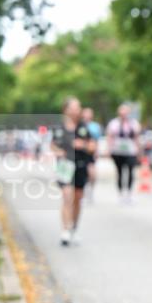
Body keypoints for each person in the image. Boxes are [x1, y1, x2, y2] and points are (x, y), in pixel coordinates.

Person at [52, 97, 97, 246]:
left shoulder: (83, 127)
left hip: (80, 164)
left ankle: (74, 228)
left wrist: (81, 145)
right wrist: (59, 152)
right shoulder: (59, 127)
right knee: (66, 196)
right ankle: (64, 230)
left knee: (77, 198)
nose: (78, 110)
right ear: (66, 109)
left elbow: (93, 146)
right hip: (65, 166)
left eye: (79, 107)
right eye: (75, 107)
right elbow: (52, 146)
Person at [106, 104, 142, 203]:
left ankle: (129, 193)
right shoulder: (114, 123)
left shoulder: (134, 124)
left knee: (130, 171)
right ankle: (121, 193)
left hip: (130, 151)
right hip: (117, 151)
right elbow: (109, 137)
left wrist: (139, 151)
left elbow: (137, 138)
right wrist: (109, 149)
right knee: (120, 172)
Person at [80, 107, 102, 203]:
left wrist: (96, 151)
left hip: (91, 153)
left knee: (92, 174)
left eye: (89, 114)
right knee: (82, 174)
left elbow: (97, 140)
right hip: (80, 153)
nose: (87, 116)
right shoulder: (79, 125)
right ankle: (83, 193)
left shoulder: (95, 126)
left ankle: (90, 191)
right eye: (86, 113)